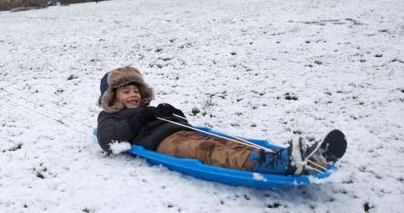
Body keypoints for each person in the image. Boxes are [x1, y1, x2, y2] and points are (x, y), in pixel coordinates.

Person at [96, 66, 347, 176]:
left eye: (135, 90)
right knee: (211, 151)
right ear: (112, 96)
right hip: (163, 144)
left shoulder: (151, 109)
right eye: (125, 91)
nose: (133, 94)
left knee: (226, 143)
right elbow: (107, 140)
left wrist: (170, 112)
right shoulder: (111, 116)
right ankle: (277, 164)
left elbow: (184, 124)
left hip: (184, 134)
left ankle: (302, 157)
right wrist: (141, 116)